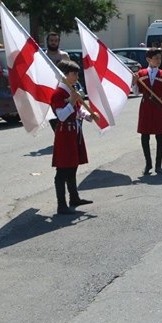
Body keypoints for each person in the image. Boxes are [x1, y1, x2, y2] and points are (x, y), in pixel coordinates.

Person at [50, 60, 92, 215]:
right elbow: (61, 116)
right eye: (74, 74)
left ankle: (74, 198)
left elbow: (79, 110)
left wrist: (89, 116)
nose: (77, 77)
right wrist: (72, 102)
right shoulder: (58, 94)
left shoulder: (71, 90)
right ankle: (61, 205)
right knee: (62, 170)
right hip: (65, 135)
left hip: (74, 132)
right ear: (64, 75)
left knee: (73, 166)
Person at [136, 48, 162, 175]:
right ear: (148, 59)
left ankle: (159, 165)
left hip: (159, 106)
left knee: (160, 135)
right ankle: (148, 164)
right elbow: (136, 92)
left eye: (160, 58)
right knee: (145, 135)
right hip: (146, 106)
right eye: (156, 58)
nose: (159, 60)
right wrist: (134, 82)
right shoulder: (141, 74)